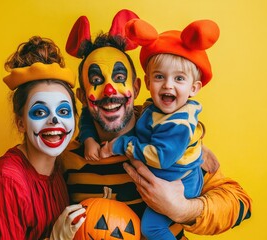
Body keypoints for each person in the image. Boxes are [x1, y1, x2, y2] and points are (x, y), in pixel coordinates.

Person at [60, 9, 252, 239]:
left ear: (138, 87)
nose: (109, 91)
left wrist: (182, 209)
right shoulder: (66, 156)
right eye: (97, 81)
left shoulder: (172, 135)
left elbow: (240, 203)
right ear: (82, 96)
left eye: (119, 79)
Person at [91, 19, 218, 239]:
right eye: (160, 77)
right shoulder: (151, 110)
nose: (168, 84)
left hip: (182, 182)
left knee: (151, 227)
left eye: (179, 78)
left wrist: (182, 208)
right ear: (148, 82)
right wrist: (88, 139)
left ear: (194, 88)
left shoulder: (178, 123)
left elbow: (161, 156)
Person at [0, 36, 86, 240]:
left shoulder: (59, 168)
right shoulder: (7, 183)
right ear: (21, 122)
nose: (54, 120)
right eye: (40, 112)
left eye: (64, 111)